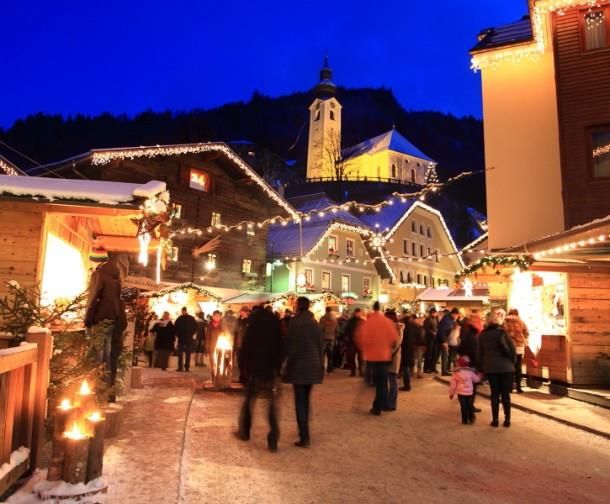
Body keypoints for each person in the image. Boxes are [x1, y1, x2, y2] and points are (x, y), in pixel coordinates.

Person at [238, 305, 283, 452]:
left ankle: (245, 431)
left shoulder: (253, 324)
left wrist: (244, 368)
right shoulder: (274, 323)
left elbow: (246, 346)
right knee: (271, 405)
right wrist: (277, 367)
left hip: (255, 369)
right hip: (270, 370)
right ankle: (273, 439)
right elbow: (281, 346)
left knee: (249, 400)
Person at [84, 244, 127, 390]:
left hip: (99, 318)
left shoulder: (99, 274)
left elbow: (93, 297)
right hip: (111, 318)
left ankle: (95, 387)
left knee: (97, 354)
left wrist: (88, 318)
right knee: (107, 354)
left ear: (95, 259)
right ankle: (105, 387)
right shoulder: (115, 277)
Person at [284, 297, 324, 448]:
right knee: (306, 400)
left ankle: (304, 437)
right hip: (313, 366)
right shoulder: (314, 323)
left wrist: (286, 364)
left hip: (299, 366)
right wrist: (321, 365)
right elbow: (320, 346)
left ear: (298, 306)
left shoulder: (295, 322)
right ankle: (304, 428)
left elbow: (290, 344)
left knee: (300, 402)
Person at [355, 301, 400, 416]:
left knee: (375, 382)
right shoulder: (387, 322)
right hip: (384, 356)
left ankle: (378, 406)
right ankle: (382, 404)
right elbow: (394, 339)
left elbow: (360, 338)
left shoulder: (368, 322)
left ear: (373, 309)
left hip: (371, 357)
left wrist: (365, 349)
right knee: (382, 383)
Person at [478, 309, 516, 428]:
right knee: (505, 394)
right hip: (506, 367)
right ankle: (507, 420)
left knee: (494, 394)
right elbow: (512, 349)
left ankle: (495, 420)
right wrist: (513, 363)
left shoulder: (482, 335)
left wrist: (481, 368)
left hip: (491, 368)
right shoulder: (502, 333)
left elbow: (479, 353)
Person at [449, 355, 481, 425]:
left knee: (463, 407)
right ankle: (471, 418)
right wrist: (479, 375)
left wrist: (451, 393)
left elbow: (453, 385)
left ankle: (464, 420)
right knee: (469, 406)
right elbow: (476, 380)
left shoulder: (456, 373)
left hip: (461, 393)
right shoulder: (471, 372)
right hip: (469, 393)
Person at [504, 308, 529, 393]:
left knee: (509, 367)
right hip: (519, 346)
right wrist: (522, 338)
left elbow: (502, 334)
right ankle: (518, 387)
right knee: (518, 367)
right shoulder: (521, 322)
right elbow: (526, 333)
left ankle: (510, 387)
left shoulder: (505, 322)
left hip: (509, 347)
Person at [385, 310, 403, 409]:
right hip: (393, 356)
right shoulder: (395, 327)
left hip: (392, 357)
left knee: (392, 381)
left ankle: (391, 404)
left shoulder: (396, 328)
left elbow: (395, 344)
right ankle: (390, 402)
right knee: (391, 380)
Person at [435, 308, 460, 376]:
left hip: (444, 339)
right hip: (442, 340)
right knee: (444, 355)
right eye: (457, 315)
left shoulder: (449, 319)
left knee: (444, 355)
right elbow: (442, 331)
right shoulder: (447, 320)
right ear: (454, 314)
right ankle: (444, 371)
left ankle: (445, 370)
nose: (457, 317)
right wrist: (444, 342)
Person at [175, 307, 197, 372]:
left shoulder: (180, 318)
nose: (182, 312)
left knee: (183, 353)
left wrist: (178, 335)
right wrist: (191, 334)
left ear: (184, 311)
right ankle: (184, 367)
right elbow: (195, 327)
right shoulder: (191, 318)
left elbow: (175, 328)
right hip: (187, 338)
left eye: (183, 311)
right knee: (185, 354)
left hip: (184, 338)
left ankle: (183, 367)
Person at [344, 309, 364, 376]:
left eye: (359, 313)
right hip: (352, 341)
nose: (359, 314)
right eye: (358, 313)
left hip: (359, 342)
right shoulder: (351, 321)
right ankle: (353, 371)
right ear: (355, 313)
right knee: (351, 357)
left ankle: (361, 371)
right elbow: (346, 330)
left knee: (360, 357)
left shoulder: (362, 321)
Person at [319, 307, 338, 373]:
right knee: (330, 354)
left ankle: (322, 368)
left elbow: (320, 328)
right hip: (332, 338)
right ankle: (330, 368)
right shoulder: (334, 319)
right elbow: (337, 330)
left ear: (325, 310)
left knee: (323, 354)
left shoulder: (322, 319)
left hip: (324, 338)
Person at [234, 307, 250, 383]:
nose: (241, 313)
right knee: (240, 362)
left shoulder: (249, 321)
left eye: (243, 312)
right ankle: (242, 377)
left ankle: (246, 377)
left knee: (245, 362)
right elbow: (235, 332)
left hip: (246, 345)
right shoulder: (239, 320)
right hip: (239, 344)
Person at [205, 311, 223, 375]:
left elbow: (226, 335)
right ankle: (213, 374)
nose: (217, 317)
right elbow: (207, 337)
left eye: (218, 316)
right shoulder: (210, 325)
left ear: (220, 317)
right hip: (212, 346)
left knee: (220, 361)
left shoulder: (223, 325)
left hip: (220, 346)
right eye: (216, 316)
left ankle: (218, 373)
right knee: (212, 361)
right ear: (213, 317)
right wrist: (207, 347)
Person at [423, 308, 438, 373]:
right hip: (429, 339)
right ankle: (426, 368)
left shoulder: (435, 319)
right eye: (435, 313)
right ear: (432, 313)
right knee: (429, 353)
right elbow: (426, 328)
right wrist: (432, 332)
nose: (435, 314)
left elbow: (435, 327)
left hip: (434, 338)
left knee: (434, 353)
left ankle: (432, 367)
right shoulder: (428, 319)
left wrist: (436, 331)